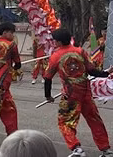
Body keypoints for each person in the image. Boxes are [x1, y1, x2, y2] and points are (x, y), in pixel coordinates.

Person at [44, 28, 112, 157]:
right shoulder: (80, 51)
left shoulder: (56, 56)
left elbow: (47, 78)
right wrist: (106, 73)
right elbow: (92, 71)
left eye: (54, 41)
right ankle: (106, 149)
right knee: (95, 120)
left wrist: (48, 96)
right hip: (86, 93)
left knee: (64, 122)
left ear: (58, 42)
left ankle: (77, 149)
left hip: (70, 95)